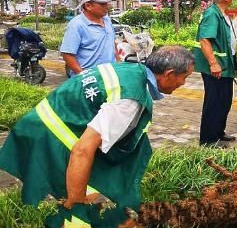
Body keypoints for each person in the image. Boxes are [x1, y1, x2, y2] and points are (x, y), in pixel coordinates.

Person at [0, 46, 196, 227]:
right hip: (50, 138)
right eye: (185, 78)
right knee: (77, 219)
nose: (183, 83)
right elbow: (82, 150)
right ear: (169, 74)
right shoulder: (129, 100)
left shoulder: (128, 70)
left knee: (85, 192)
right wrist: (76, 204)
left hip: (41, 124)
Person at [194, 0, 237, 148]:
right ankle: (208, 139)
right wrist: (213, 63)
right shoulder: (212, 14)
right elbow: (205, 39)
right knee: (214, 102)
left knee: (224, 100)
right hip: (217, 68)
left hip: (226, 66)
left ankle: (218, 132)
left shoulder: (221, 13)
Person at [60, 0, 118, 77]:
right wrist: (83, 75)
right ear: (88, 6)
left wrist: (119, 66)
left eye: (107, 3)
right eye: (102, 4)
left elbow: (112, 45)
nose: (107, 6)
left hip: (109, 76)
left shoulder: (107, 20)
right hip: (88, 79)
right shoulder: (77, 25)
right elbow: (67, 55)